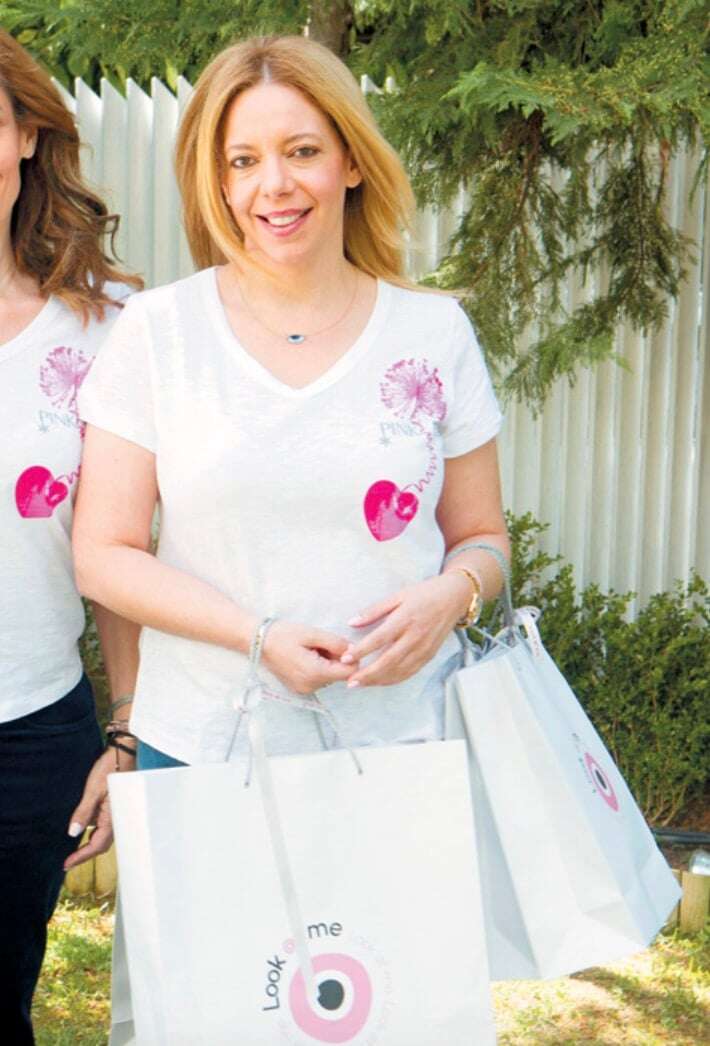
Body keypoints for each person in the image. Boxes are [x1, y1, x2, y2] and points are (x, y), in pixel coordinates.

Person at [73, 34, 509, 775]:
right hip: (204, 749)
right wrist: (257, 637)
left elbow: (483, 536)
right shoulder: (157, 331)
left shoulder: (434, 333)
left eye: (302, 151)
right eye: (243, 161)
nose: (273, 184)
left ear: (352, 162)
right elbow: (102, 556)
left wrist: (453, 595)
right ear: (218, 183)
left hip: (405, 747)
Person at [0, 30, 141, 1043]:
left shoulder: (106, 328)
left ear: (25, 134)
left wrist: (125, 729)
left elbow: (125, 552)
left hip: (31, 734)